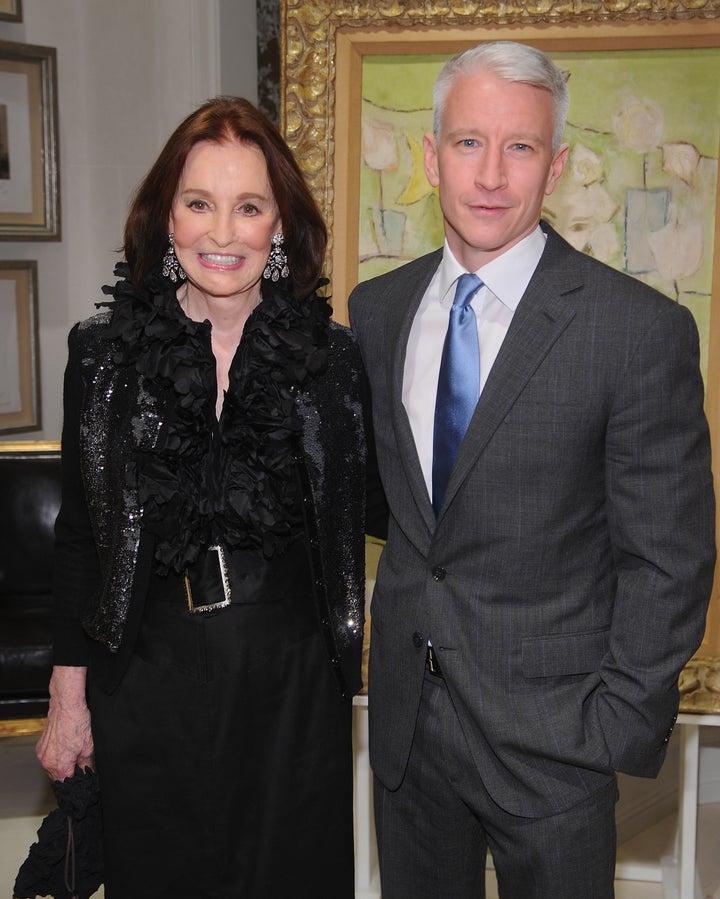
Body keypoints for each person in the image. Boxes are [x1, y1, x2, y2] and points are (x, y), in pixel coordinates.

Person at [348, 40, 716, 899]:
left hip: (557, 745)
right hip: (407, 733)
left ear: (554, 168)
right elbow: (392, 505)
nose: (490, 174)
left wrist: (611, 724)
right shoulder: (379, 311)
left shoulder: (635, 331)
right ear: (431, 156)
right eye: (469, 142)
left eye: (520, 147)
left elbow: (670, 559)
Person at [36, 96, 380, 899]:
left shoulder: (330, 361)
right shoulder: (102, 358)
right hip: (147, 684)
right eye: (199, 203)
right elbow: (81, 537)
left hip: (293, 691)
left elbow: (384, 508)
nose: (222, 233)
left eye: (249, 206)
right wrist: (67, 699)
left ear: (279, 226)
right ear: (167, 216)